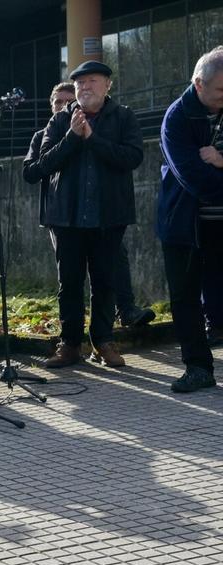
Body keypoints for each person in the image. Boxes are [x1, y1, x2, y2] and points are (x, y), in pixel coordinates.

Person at [29, 61, 144, 369]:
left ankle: (103, 341)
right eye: (79, 83)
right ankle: (69, 345)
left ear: (108, 85)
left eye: (92, 81)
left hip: (109, 216)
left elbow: (132, 157)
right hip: (66, 218)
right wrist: (72, 138)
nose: (84, 88)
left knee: (105, 282)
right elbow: (40, 166)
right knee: (69, 283)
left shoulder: (123, 117)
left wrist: (92, 138)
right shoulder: (59, 121)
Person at [156, 46, 223, 393]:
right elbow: (192, 176)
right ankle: (198, 367)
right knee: (185, 298)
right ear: (199, 84)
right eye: (220, 92)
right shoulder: (176, 118)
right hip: (184, 222)